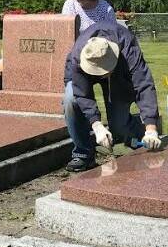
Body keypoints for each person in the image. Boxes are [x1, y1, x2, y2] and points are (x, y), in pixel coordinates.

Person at [63, 20, 161, 172]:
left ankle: (141, 135)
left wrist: (151, 127)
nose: (102, 74)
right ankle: (83, 153)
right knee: (70, 98)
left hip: (119, 72)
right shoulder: (78, 56)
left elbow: (144, 85)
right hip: (83, 72)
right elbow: (82, 94)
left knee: (118, 125)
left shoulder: (128, 49)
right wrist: (96, 125)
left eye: (104, 71)